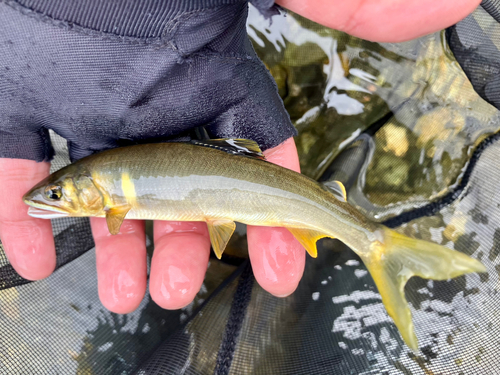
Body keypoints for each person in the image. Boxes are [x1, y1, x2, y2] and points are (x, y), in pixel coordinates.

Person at [0, 0, 481, 314]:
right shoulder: (108, 193)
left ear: (94, 192)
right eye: (58, 194)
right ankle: (375, 242)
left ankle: (377, 244)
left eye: (60, 193)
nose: (51, 199)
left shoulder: (114, 202)